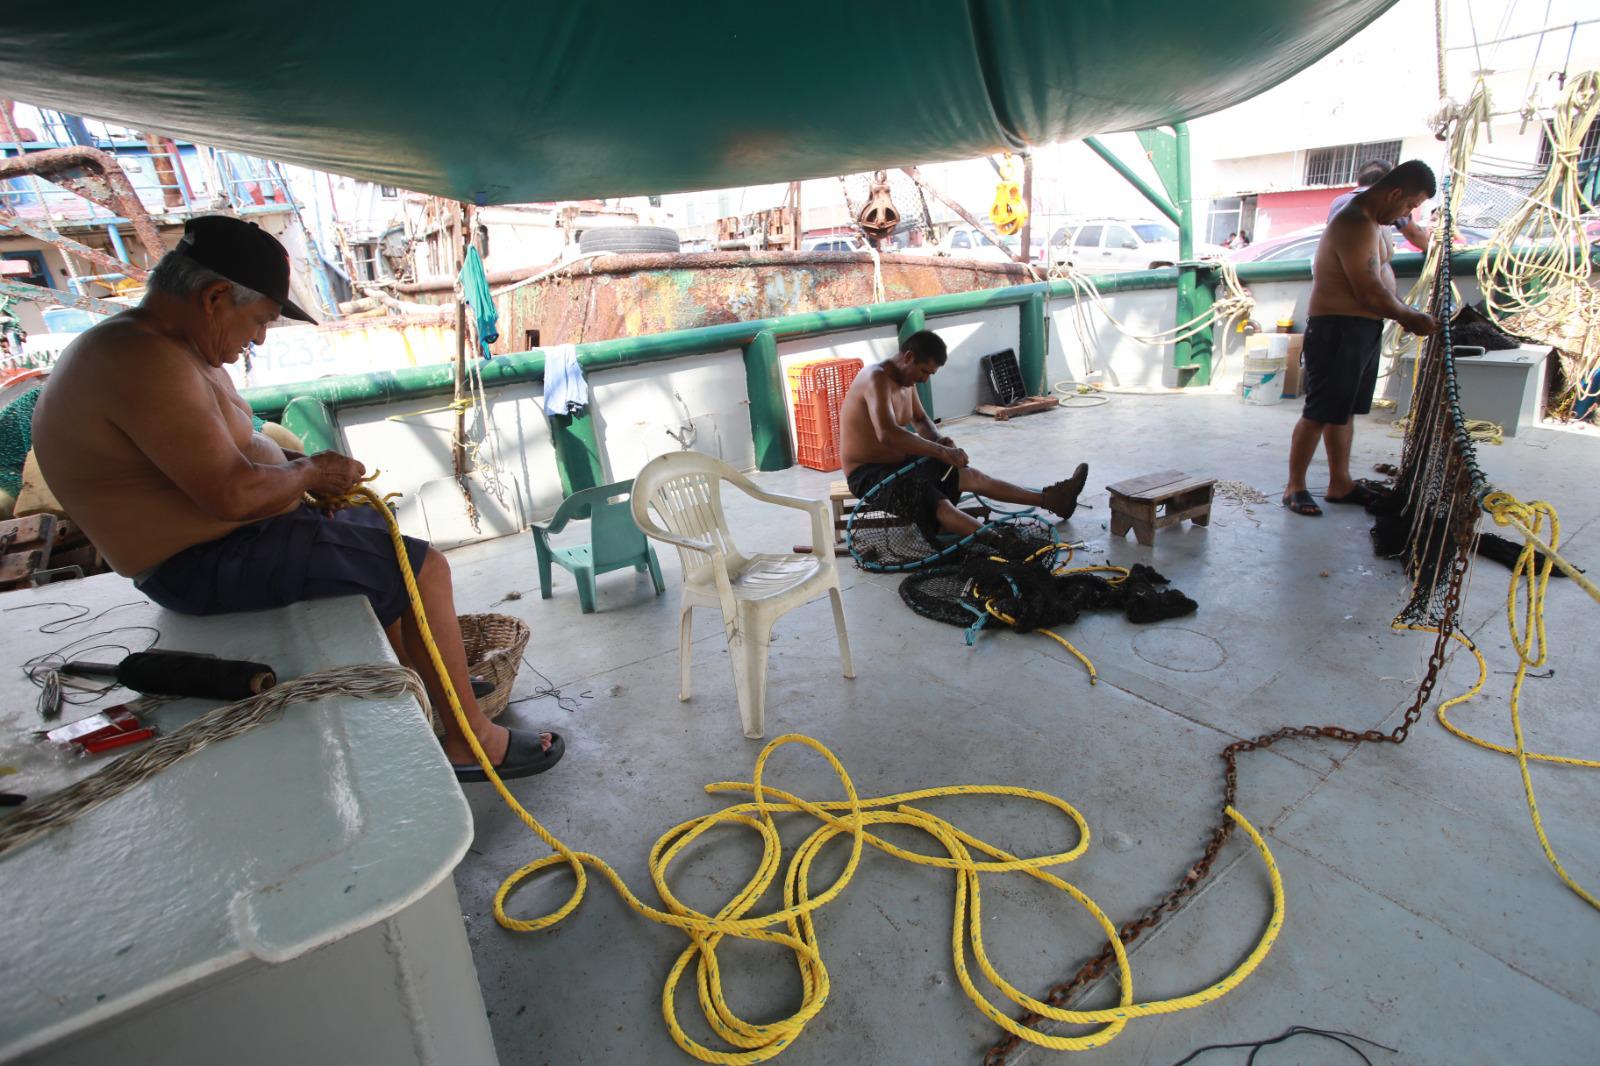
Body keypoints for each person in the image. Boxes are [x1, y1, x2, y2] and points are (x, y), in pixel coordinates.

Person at [30, 215, 561, 782]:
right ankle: (470, 740)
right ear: (214, 297)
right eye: (258, 320)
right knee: (422, 569)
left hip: (230, 541)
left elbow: (230, 454)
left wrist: (303, 477)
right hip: (198, 563)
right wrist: (307, 473)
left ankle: (432, 680)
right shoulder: (137, 360)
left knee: (386, 539)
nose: (258, 338)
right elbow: (231, 493)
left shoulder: (174, 348)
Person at [1283, 160, 1441, 517]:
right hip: (1337, 329)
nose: (1408, 213)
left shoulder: (1377, 221)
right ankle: (1295, 486)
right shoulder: (1354, 221)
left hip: (1363, 329)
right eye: (1409, 205)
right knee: (1320, 412)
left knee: (1344, 411)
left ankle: (1341, 483)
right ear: (1396, 192)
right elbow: (1368, 290)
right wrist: (1409, 316)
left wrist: (1402, 312)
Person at [839, 330, 1088, 542]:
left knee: (970, 475)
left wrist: (938, 441)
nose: (924, 380)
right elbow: (888, 434)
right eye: (924, 371)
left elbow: (920, 419)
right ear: (908, 357)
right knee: (938, 503)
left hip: (901, 465)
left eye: (930, 375)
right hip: (868, 474)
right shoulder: (877, 378)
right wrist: (939, 451)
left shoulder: (907, 382)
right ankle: (1002, 544)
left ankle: (1052, 500)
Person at [1327, 159, 1431, 252]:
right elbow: (1414, 234)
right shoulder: (1390, 204)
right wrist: (1433, 253)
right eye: (1409, 205)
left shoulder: (1338, 201)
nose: (1406, 212)